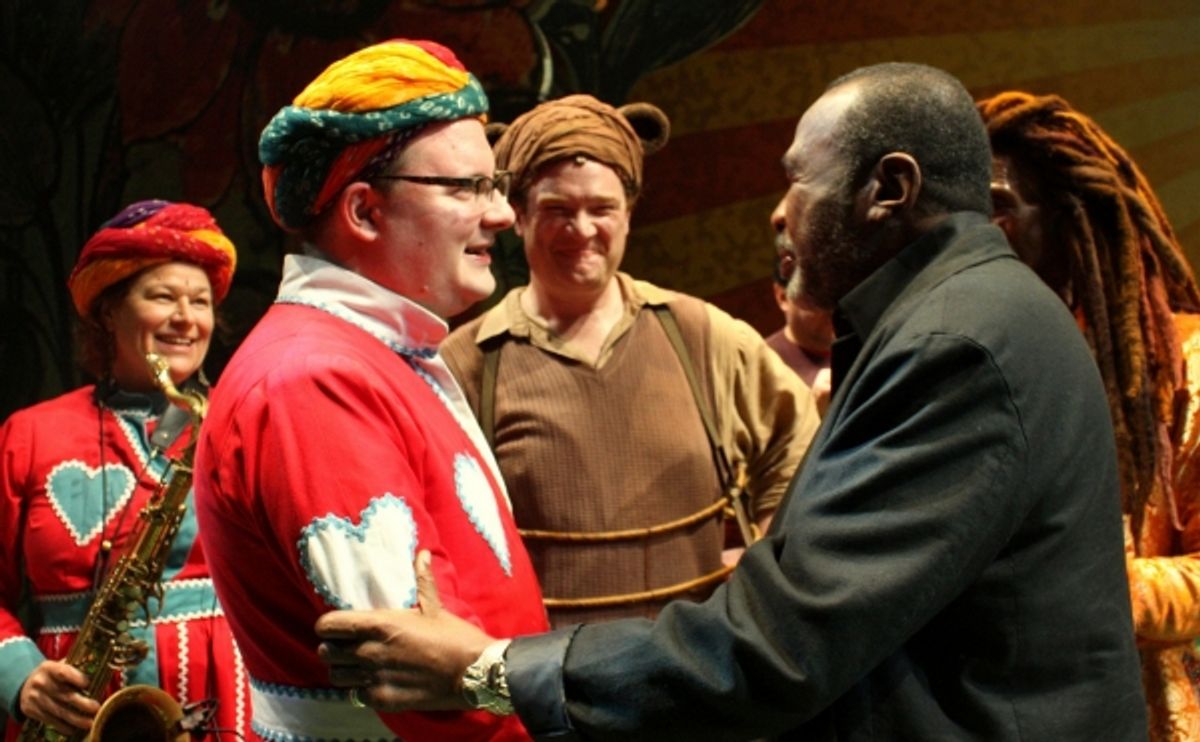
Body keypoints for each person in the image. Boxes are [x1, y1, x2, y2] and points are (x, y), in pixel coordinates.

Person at [312, 62, 1150, 740]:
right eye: (554, 210)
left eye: (799, 182)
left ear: (889, 188)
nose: (781, 215)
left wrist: (488, 669)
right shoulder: (959, 318)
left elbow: (778, 645)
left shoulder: (951, 345)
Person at [191, 39, 548, 741]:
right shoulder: (314, 382)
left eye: (494, 183)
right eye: (466, 188)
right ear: (362, 212)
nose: (503, 214)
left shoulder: (369, 354)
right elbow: (428, 689)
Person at [439, 93, 819, 627]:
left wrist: (768, 576)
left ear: (629, 212)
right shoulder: (469, 365)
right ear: (517, 215)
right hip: (546, 690)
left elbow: (799, 453)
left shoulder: (701, 336)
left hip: (699, 680)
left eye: (602, 208)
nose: (583, 230)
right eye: (557, 210)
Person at [978, 90, 1200, 742]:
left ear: (1076, 216)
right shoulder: (970, 366)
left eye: (998, 210)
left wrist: (1090, 584)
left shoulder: (1184, 367)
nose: (974, 236)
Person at [0, 200, 251, 739]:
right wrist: (18, 678)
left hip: (226, 711)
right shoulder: (28, 434)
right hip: (71, 716)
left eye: (201, 302)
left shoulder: (247, 426)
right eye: (163, 296)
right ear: (108, 311)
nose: (187, 318)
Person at [765, 248, 834, 415]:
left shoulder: (863, 338)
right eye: (815, 295)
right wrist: (815, 416)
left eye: (835, 291)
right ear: (782, 297)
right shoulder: (764, 362)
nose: (831, 306)